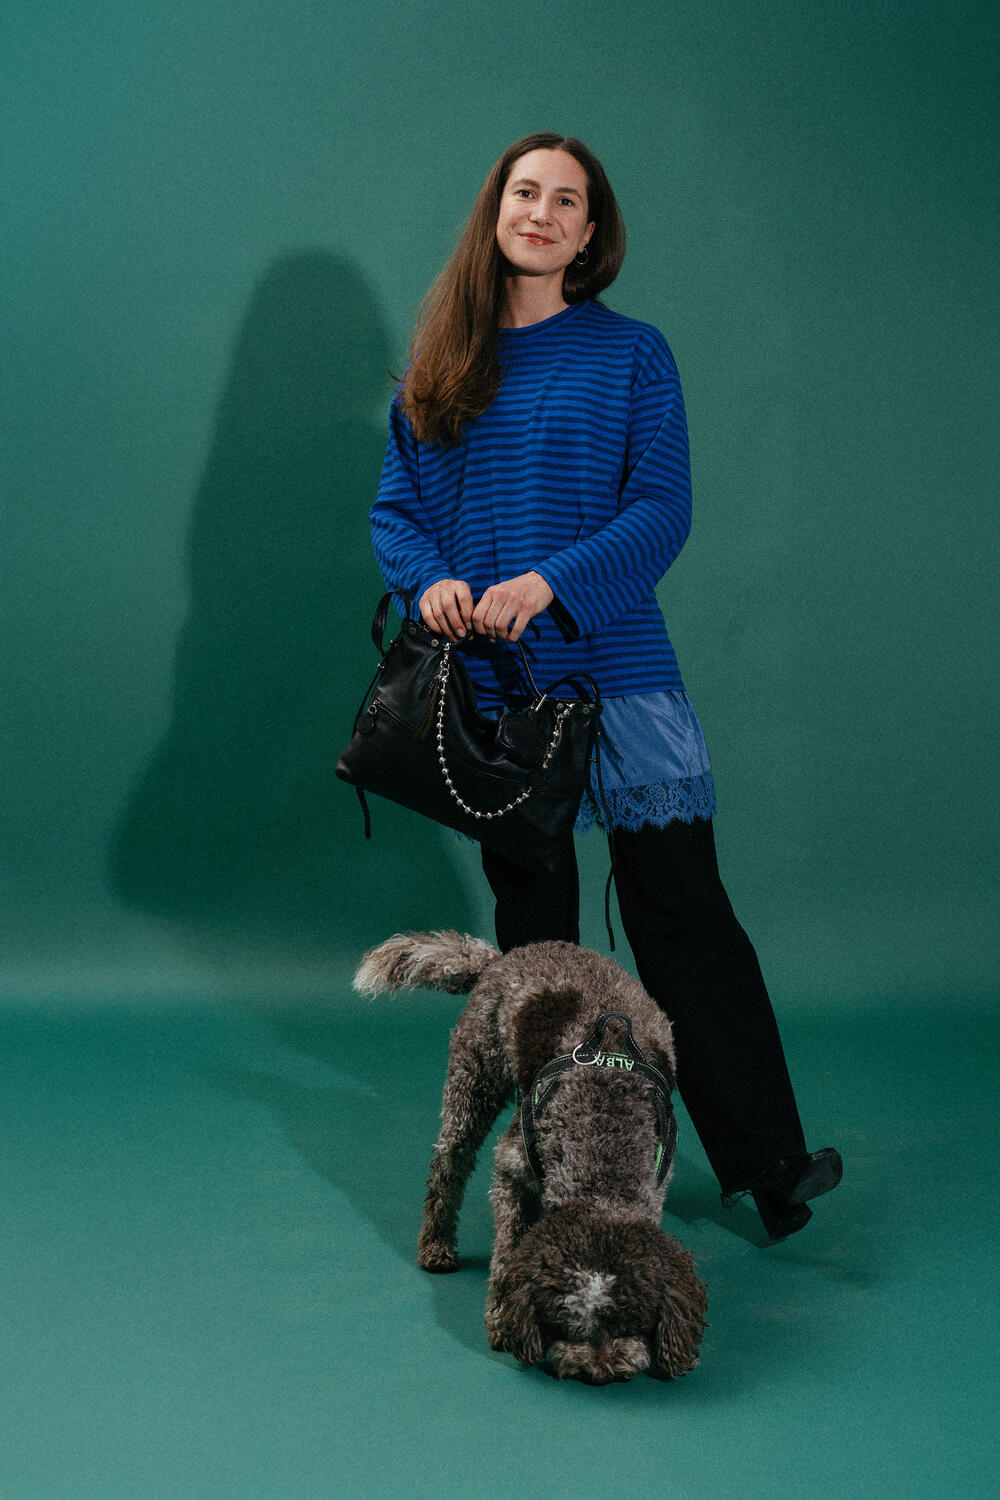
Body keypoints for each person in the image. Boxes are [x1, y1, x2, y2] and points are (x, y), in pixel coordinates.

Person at [369, 132, 841, 1241]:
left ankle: (767, 1164)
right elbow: (397, 513)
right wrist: (432, 580)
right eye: (523, 192)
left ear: (589, 235)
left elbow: (661, 511)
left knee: (685, 917)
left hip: (619, 674)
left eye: (564, 199)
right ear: (497, 213)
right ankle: (563, 1169)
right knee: (538, 943)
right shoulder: (439, 363)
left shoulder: (633, 356)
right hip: (496, 695)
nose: (539, 211)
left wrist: (550, 582)